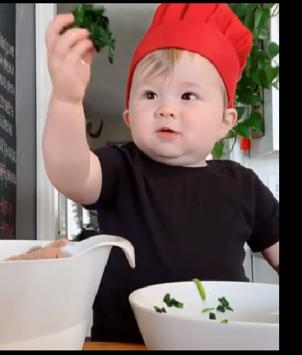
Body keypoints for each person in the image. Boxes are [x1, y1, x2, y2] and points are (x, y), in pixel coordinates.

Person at [42, 3, 279, 343]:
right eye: (150, 94)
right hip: (123, 342)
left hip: (223, 342)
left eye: (188, 95)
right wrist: (66, 100)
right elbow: (69, 173)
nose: (166, 108)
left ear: (225, 122)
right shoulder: (121, 168)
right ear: (128, 116)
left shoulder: (244, 186)